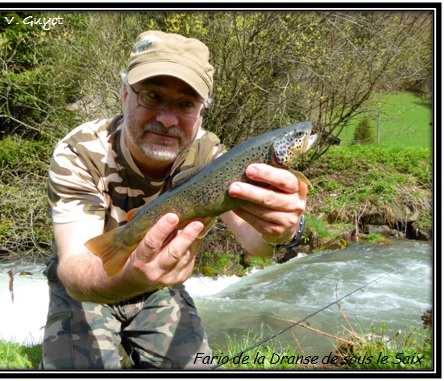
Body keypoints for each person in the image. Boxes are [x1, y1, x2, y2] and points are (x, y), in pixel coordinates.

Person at [41, 30, 308, 369]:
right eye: (152, 96)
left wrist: (283, 230)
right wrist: (132, 274)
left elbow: (256, 243)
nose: (167, 119)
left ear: (202, 112)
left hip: (160, 286)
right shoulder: (80, 151)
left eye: (185, 104)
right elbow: (76, 267)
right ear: (125, 94)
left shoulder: (213, 157)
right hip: (86, 284)